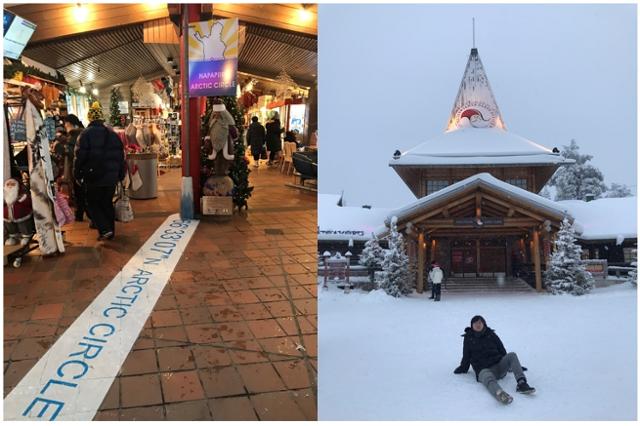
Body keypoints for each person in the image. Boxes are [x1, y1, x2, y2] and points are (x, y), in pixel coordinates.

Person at [453, 315, 535, 405]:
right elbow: (466, 356)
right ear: (472, 325)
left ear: (484, 324)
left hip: (499, 366)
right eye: (475, 323)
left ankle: (522, 384)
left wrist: (513, 365)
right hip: (484, 370)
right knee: (488, 378)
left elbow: (502, 350)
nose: (478, 325)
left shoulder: (491, 334)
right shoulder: (468, 338)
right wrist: (463, 368)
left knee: (512, 355)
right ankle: (501, 394)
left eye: (480, 323)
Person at [74, 102, 125, 241]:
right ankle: (110, 231)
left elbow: (79, 157)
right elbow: (121, 156)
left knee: (92, 202)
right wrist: (121, 174)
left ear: (90, 118)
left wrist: (77, 174)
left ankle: (104, 229)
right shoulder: (113, 134)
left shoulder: (85, 135)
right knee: (107, 202)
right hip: (111, 177)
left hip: (94, 175)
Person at [63, 114, 86, 221]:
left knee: (79, 192)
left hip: (77, 168)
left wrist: (62, 148)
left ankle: (81, 213)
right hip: (84, 167)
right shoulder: (83, 133)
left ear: (69, 124)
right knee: (82, 192)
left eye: (65, 123)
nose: (64, 125)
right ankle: (82, 213)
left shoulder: (74, 135)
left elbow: (73, 154)